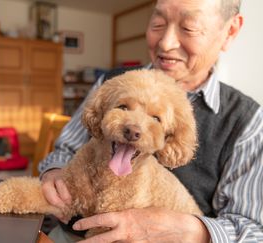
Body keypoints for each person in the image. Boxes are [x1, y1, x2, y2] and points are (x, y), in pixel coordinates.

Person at [38, 0, 263, 242]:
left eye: (189, 28)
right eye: (157, 23)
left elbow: (252, 229)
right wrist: (55, 173)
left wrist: (193, 230)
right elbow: (65, 150)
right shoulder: (113, 83)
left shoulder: (246, 120)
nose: (165, 43)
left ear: (230, 31)